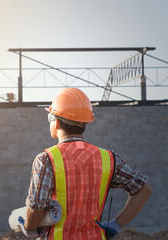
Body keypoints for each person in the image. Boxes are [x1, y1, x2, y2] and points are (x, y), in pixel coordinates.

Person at [17, 87, 152, 240]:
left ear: (57, 122)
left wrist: (29, 228)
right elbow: (144, 190)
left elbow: (37, 206)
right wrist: (116, 225)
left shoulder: (46, 159)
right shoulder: (108, 158)